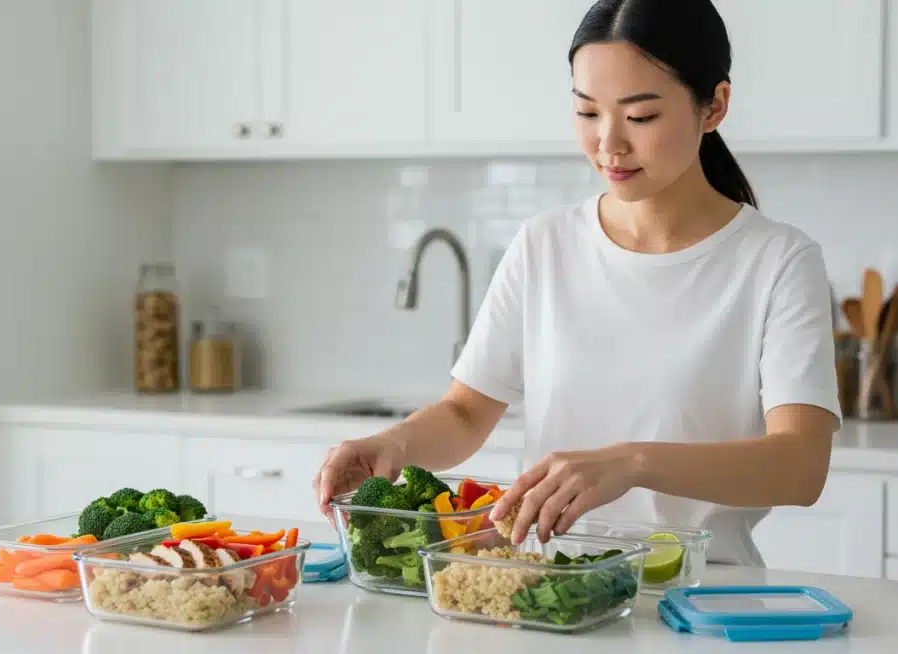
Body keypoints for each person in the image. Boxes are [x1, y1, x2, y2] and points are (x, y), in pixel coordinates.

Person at [312, 0, 841, 567]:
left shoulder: (778, 261)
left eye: (640, 117)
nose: (609, 144)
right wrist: (395, 443)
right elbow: (465, 414)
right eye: (588, 113)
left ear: (714, 106)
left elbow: (800, 466)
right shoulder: (544, 245)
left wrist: (633, 464)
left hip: (703, 597)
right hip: (548, 590)